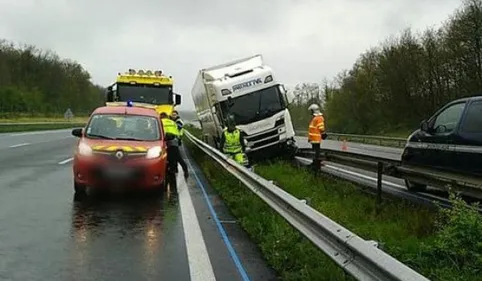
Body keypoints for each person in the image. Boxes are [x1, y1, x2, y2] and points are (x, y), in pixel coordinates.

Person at [160, 112, 188, 179]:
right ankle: (184, 170)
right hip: (174, 141)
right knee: (178, 157)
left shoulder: (160, 122)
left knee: (166, 157)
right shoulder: (172, 122)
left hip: (165, 141)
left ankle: (170, 172)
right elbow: (177, 131)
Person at [307, 104, 327, 171]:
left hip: (316, 139)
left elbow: (321, 127)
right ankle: (315, 163)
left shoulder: (318, 118)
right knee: (315, 151)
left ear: (314, 111)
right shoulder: (315, 118)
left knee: (316, 152)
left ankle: (316, 164)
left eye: (311, 111)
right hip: (313, 139)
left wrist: (323, 133)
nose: (311, 113)